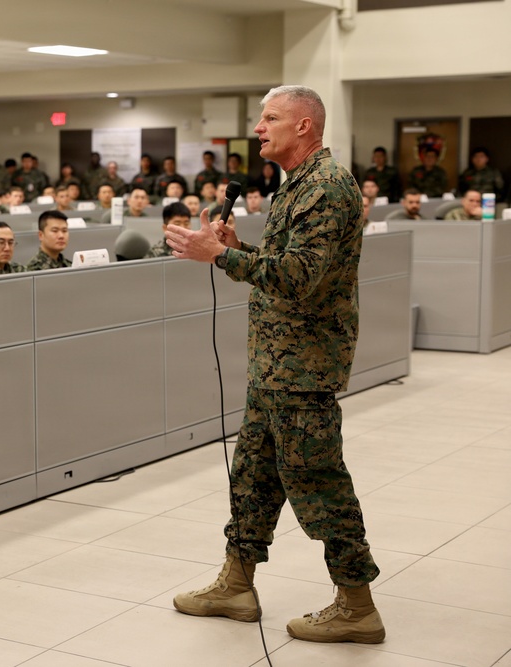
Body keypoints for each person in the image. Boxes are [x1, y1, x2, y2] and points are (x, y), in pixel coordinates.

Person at [165, 85, 385, 645]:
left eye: (270, 118)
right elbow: (285, 264)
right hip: (276, 364)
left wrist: (220, 256)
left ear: (305, 126)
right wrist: (240, 249)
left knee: (319, 482)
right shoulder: (296, 185)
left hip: (304, 367)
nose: (259, 128)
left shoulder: (327, 187)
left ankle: (357, 605)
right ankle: (236, 584)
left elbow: (299, 280)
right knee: (254, 478)